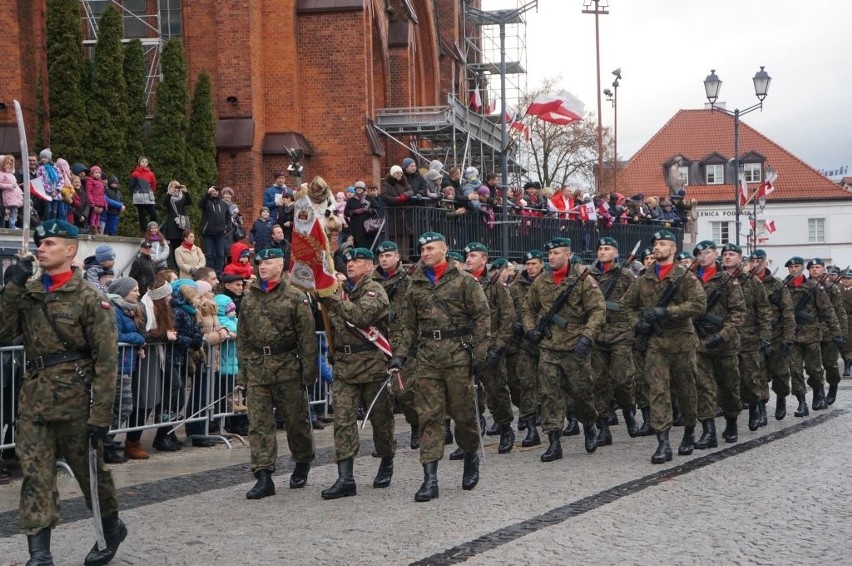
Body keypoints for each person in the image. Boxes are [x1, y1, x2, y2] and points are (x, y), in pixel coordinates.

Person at [0, 219, 126, 566]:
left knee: (91, 476)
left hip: (76, 401)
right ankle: (39, 555)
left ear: (70, 250)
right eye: (40, 244)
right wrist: (11, 286)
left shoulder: (90, 299)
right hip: (35, 401)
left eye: (50, 243)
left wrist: (101, 414)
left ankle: (112, 527)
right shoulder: (30, 293)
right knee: (35, 477)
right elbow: (3, 333)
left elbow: (106, 361)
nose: (41, 248)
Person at [390, 232, 490, 502]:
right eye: (422, 248)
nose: (425, 252)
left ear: (445, 249)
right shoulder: (415, 285)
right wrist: (399, 355)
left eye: (431, 248)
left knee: (464, 415)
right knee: (429, 417)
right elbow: (407, 326)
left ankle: (470, 456)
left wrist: (479, 355)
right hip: (427, 360)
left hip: (458, 357)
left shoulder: (465, 281)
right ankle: (430, 479)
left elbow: (482, 317)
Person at [237, 247, 317, 500]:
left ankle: (302, 460)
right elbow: (243, 338)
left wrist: (308, 371)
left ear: (280, 265)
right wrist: (244, 371)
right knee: (259, 425)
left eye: (269, 262)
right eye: (260, 262)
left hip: (288, 367)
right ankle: (263, 475)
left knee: (296, 421)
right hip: (258, 368)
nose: (262, 266)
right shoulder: (249, 298)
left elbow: (307, 338)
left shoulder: (295, 296)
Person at [621, 230, 706, 464]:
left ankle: (689, 430)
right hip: (656, 345)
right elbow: (625, 305)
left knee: (686, 391)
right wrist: (639, 324)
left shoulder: (685, 277)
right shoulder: (645, 278)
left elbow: (699, 305)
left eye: (663, 243)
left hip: (682, 342)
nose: (657, 247)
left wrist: (667, 311)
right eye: (656, 243)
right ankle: (663, 443)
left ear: (674, 249)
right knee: (658, 391)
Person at [319, 247, 395, 498]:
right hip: (345, 366)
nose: (351, 264)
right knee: (343, 421)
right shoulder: (343, 292)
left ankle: (386, 460)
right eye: (349, 261)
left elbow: (360, 316)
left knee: (380, 421)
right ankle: (346, 477)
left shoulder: (375, 291)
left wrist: (333, 298)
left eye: (358, 261)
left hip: (372, 364)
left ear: (370, 266)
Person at [522, 237, 604, 463]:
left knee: (581, 394)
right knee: (549, 395)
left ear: (568, 254)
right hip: (549, 348)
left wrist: (588, 336)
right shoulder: (542, 281)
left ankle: (589, 425)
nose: (551, 257)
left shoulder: (583, 279)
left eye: (557, 253)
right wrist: (531, 330)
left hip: (575, 346)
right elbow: (528, 308)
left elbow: (598, 310)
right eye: (550, 253)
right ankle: (554, 443)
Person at [458, 242, 515, 456]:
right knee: (466, 395)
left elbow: (508, 316)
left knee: (496, 391)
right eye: (467, 256)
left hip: (490, 347)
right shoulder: (461, 282)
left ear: (484, 259)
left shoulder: (495, 284)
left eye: (473, 255)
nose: (469, 259)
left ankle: (505, 427)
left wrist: (499, 346)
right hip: (466, 347)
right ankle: (470, 438)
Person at [691, 240, 746, 447]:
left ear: (715, 254)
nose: (702, 256)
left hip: (724, 343)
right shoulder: (690, 280)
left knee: (729, 387)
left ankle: (731, 422)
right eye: (699, 253)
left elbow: (739, 313)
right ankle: (708, 431)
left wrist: (723, 335)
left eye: (706, 253)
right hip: (699, 342)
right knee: (703, 387)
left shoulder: (728, 280)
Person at [587, 237, 639, 445]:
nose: (602, 252)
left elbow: (636, 302)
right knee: (598, 382)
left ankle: (628, 411)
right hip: (598, 334)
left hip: (620, 333)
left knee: (621, 380)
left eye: (607, 249)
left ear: (616, 253)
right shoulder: (590, 276)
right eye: (600, 248)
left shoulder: (626, 274)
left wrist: (634, 326)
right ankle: (604, 427)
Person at [720, 243, 773, 431]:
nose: (727, 257)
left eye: (731, 254)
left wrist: (765, 336)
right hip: (724, 339)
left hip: (748, 338)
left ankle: (754, 410)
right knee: (728, 382)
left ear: (740, 258)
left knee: (751, 379)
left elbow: (764, 310)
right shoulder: (717, 279)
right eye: (725, 254)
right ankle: (731, 421)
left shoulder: (752, 282)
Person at [371, 241, 418, 447]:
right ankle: (386, 441)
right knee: (381, 397)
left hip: (402, 341)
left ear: (398, 257)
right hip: (377, 340)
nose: (384, 259)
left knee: (404, 392)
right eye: (381, 256)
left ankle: (416, 425)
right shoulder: (371, 280)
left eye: (388, 255)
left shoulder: (410, 279)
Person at [784, 256, 840, 415]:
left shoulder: (814, 287)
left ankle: (818, 392)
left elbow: (828, 311)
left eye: (796, 266)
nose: (793, 269)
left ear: (802, 268)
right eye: (791, 267)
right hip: (791, 335)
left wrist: (837, 333)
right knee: (795, 371)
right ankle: (802, 403)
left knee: (814, 369)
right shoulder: (784, 287)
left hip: (812, 334)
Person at [749, 249, 795, 419]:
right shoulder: (746, 283)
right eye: (752, 261)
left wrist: (788, 339)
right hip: (755, 335)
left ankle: (781, 399)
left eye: (758, 261)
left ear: (765, 263)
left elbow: (788, 313)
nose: (755, 264)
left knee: (780, 373)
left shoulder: (777, 284)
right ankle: (761, 408)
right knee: (757, 373)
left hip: (776, 335)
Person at [506, 250, 545, 447]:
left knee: (554, 384)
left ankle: (565, 420)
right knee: (526, 383)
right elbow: (508, 311)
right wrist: (516, 325)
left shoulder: (550, 284)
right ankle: (531, 428)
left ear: (542, 264)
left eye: (534, 263)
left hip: (550, 342)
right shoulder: (515, 287)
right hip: (524, 343)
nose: (530, 267)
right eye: (528, 264)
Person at [105, 277, 145, 464]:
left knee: (120, 407)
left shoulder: (127, 309)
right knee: (123, 407)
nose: (138, 293)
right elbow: (116, 335)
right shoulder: (114, 309)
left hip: (127, 363)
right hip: (117, 365)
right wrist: (137, 338)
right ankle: (104, 443)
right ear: (123, 292)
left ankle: (106, 442)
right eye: (134, 290)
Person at [805, 259, 846, 408]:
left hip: (828, 332)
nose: (815, 270)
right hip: (810, 332)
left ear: (823, 269)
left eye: (818, 267)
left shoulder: (832, 288)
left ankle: (833, 387)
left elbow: (839, 312)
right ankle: (818, 393)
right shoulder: (804, 287)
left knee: (830, 364)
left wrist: (841, 334)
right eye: (812, 267)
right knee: (813, 367)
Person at [199, 186, 230, 275]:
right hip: (208, 233)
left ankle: (219, 273)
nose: (215, 192)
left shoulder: (223, 204)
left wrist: (227, 227)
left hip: (220, 233)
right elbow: (201, 204)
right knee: (209, 255)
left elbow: (228, 217)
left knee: (220, 254)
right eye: (213, 190)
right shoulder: (206, 202)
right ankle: (209, 273)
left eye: (216, 190)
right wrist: (207, 193)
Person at [162, 181, 192, 269]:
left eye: (177, 187)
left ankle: (183, 265)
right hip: (172, 225)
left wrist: (186, 192)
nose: (175, 188)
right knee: (174, 247)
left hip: (182, 225)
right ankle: (175, 266)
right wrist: (169, 193)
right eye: (173, 186)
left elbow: (189, 202)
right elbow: (165, 204)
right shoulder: (169, 197)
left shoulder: (182, 197)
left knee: (182, 245)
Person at [129, 156, 157, 233]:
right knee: (142, 215)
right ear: (139, 163)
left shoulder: (151, 174)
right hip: (139, 197)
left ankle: (152, 230)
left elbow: (153, 185)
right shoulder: (135, 174)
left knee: (153, 214)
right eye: (142, 161)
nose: (144, 163)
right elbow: (132, 185)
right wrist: (134, 195)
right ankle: (144, 232)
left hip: (148, 197)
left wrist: (151, 192)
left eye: (146, 162)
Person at [0, 155, 24, 229]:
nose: (9, 165)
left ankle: (12, 225)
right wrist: (10, 186)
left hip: (14, 195)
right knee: (10, 212)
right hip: (8, 195)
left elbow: (15, 184)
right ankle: (11, 225)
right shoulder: (2, 174)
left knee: (14, 212)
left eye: (10, 164)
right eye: (7, 163)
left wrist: (20, 192)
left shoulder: (11, 175)